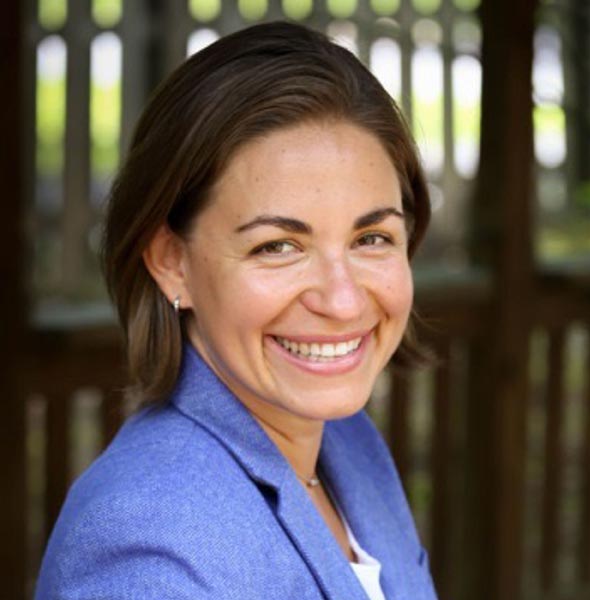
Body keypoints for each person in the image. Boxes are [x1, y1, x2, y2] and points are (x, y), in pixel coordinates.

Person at [36, 21, 437, 600]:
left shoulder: (348, 445)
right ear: (172, 262)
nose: (343, 299)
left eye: (371, 237)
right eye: (278, 247)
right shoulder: (146, 547)